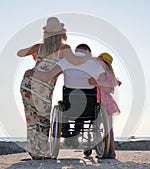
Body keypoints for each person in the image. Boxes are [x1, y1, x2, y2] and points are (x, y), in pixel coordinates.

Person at [17, 17, 90, 159]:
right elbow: (76, 62)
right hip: (43, 87)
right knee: (43, 119)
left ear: (46, 34)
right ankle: (42, 152)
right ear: (62, 33)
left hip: (27, 84)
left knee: (31, 118)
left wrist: (33, 51)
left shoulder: (39, 47)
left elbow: (19, 53)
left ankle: (33, 150)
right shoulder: (65, 49)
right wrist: (91, 58)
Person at [24, 44, 106, 148]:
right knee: (85, 103)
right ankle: (77, 131)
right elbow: (105, 81)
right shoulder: (94, 63)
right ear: (88, 52)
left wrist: (32, 73)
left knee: (67, 105)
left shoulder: (66, 61)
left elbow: (48, 76)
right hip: (89, 106)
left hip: (70, 106)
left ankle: (68, 131)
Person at [89, 52, 121, 159]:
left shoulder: (107, 73)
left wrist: (97, 83)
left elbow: (108, 88)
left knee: (108, 128)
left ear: (105, 64)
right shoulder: (104, 73)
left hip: (106, 102)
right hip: (102, 102)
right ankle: (105, 151)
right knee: (105, 128)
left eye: (100, 62)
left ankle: (110, 152)